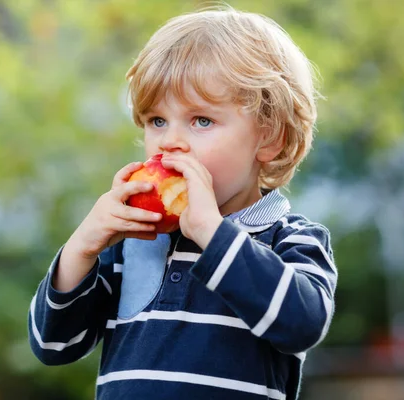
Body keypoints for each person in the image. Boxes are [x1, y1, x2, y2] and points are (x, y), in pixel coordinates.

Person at [28, 6, 337, 400]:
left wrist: (212, 232)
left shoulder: (290, 239)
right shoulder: (134, 238)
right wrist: (83, 247)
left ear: (269, 138)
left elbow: (302, 324)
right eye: (157, 121)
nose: (170, 141)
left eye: (201, 120)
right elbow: (54, 345)